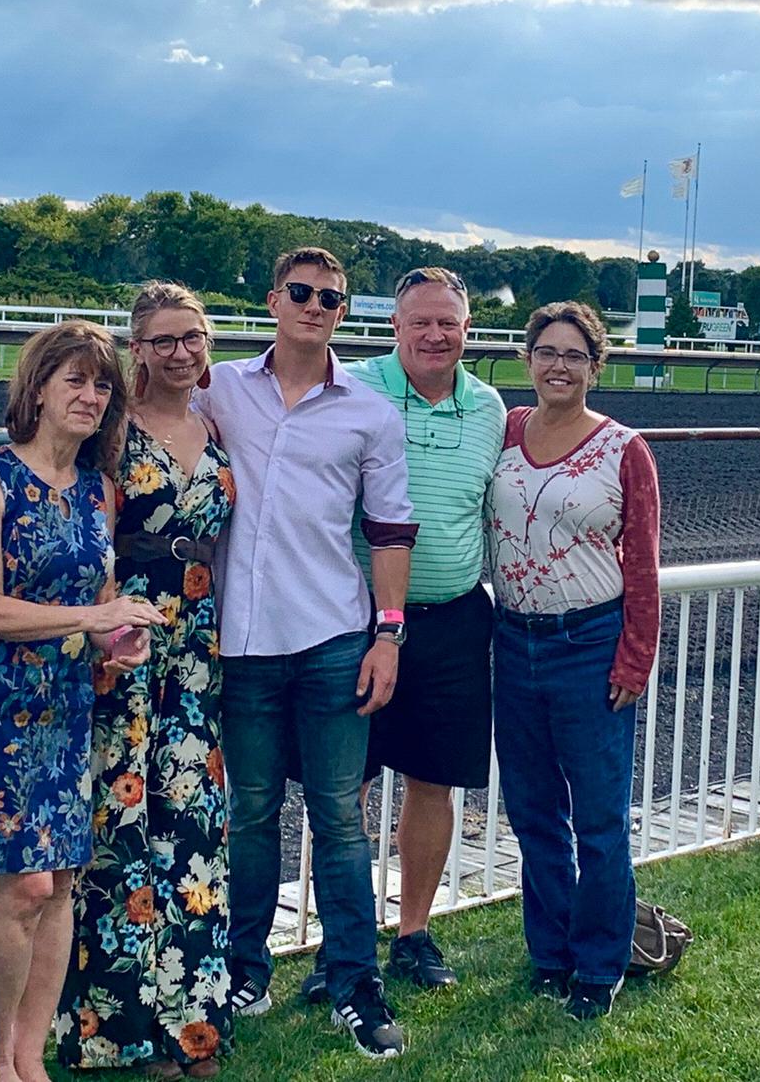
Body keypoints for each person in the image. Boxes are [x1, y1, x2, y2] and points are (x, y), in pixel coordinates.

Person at [196, 247, 419, 1060]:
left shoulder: (370, 413)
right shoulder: (219, 387)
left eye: (329, 298)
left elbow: (390, 530)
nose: (315, 305)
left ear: (342, 313)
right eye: (301, 292)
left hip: (333, 638)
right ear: (273, 301)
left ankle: (355, 982)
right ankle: (244, 971)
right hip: (242, 644)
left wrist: (388, 633)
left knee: (338, 819)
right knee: (251, 814)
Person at [0, 322, 166, 1082]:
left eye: (102, 384)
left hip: (68, 708)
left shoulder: (96, 490)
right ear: (37, 389)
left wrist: (120, 639)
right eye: (75, 379)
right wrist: (94, 617)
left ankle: (28, 1058)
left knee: (62, 886)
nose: (90, 395)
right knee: (25, 888)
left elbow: (98, 604)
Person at [299, 265, 506, 1002]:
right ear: (394, 326)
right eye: (420, 321)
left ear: (467, 330)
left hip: (452, 620)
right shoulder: (350, 389)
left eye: (448, 323)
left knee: (433, 782)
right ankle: (342, 941)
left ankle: (414, 931)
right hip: (354, 622)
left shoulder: (489, 409)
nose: (434, 335)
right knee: (343, 787)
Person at [57, 284, 235, 1078]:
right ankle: (120, 1028)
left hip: (196, 650)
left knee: (192, 826)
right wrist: (105, 627)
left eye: (191, 337)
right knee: (121, 829)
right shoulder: (112, 432)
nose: (180, 353)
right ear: (138, 349)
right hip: (127, 642)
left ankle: (193, 1021)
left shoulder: (214, 426)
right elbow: (91, 534)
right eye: (163, 340)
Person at [486, 302, 661, 1022]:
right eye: (546, 352)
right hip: (512, 640)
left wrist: (634, 660)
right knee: (533, 814)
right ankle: (550, 954)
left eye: (574, 355)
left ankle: (600, 963)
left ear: (595, 366)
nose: (559, 366)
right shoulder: (506, 430)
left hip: (589, 645)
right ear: (527, 360)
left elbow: (642, 565)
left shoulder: (624, 449)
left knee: (598, 820)